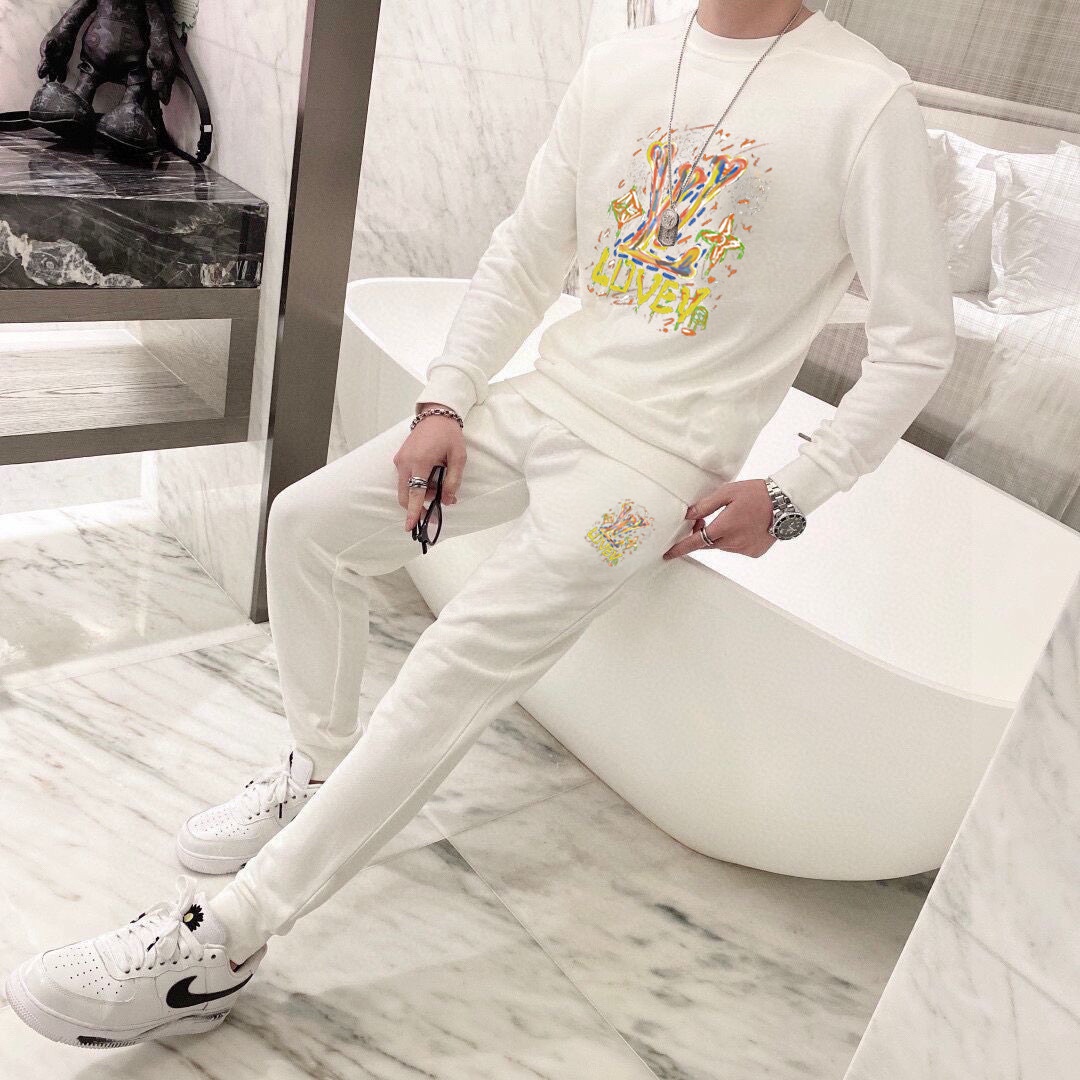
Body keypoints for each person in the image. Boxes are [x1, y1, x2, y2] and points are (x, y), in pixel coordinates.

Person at [6, 0, 955, 1048]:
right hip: (541, 399)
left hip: (649, 471)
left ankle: (223, 943)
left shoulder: (864, 99)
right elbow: (527, 250)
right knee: (307, 524)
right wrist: (445, 401)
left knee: (452, 665)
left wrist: (795, 492)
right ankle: (320, 771)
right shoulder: (626, 64)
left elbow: (917, 342)